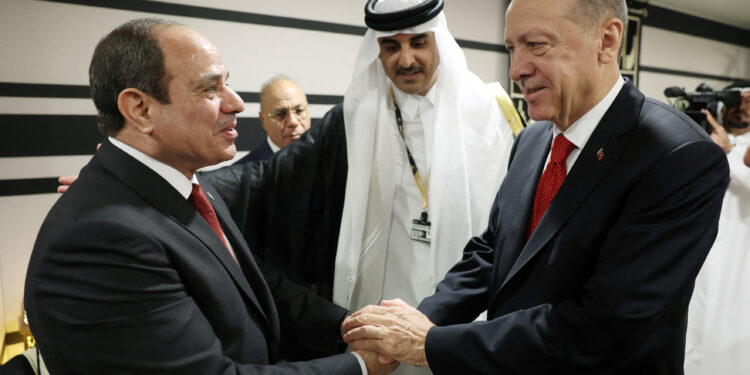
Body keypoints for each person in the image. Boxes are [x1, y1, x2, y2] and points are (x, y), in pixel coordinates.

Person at [341, 0, 730, 373]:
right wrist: (421, 319)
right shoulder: (534, 138)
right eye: (512, 47)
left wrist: (429, 344)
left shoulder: (678, 157)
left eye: (536, 45)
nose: (516, 69)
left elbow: (605, 328)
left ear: (607, 41)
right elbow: (494, 251)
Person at [24, 18, 395, 375]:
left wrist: (351, 327)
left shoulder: (185, 187)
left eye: (227, 84)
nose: (235, 104)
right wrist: (359, 366)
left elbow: (248, 288)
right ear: (140, 109)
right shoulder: (102, 238)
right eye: (210, 89)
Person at [685, 82, 750, 375]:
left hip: (738, 266)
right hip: (697, 258)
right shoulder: (700, 140)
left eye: (749, 102)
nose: (743, 108)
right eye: (737, 101)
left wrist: (727, 154)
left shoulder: (741, 152)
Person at [235, 76, 312, 163]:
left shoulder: (327, 161)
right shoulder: (243, 173)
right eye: (281, 114)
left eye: (299, 111)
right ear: (263, 119)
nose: (293, 122)